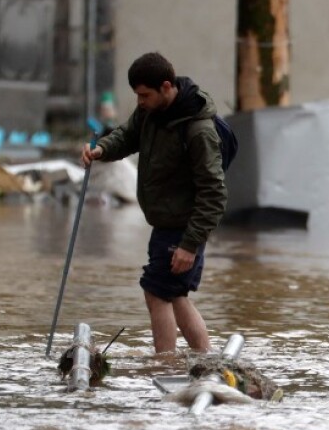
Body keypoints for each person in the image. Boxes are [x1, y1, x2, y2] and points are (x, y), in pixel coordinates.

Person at [80, 52, 227, 354]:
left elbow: (214, 192)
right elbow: (127, 135)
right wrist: (101, 150)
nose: (140, 101)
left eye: (144, 95)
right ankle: (205, 357)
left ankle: (164, 363)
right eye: (137, 95)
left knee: (156, 292)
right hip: (164, 223)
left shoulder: (198, 131)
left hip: (184, 228)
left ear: (166, 87)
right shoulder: (150, 112)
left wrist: (190, 245)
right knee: (175, 295)